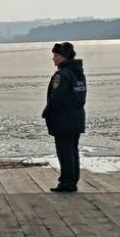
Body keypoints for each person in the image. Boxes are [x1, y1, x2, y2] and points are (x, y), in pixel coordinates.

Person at [41, 41, 87, 193]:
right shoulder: (79, 74)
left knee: (65, 152)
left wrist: (47, 112)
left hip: (64, 120)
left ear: (64, 57)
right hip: (77, 118)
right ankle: (72, 180)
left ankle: (67, 182)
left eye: (56, 55)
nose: (53, 59)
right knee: (72, 151)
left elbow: (57, 99)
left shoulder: (62, 76)